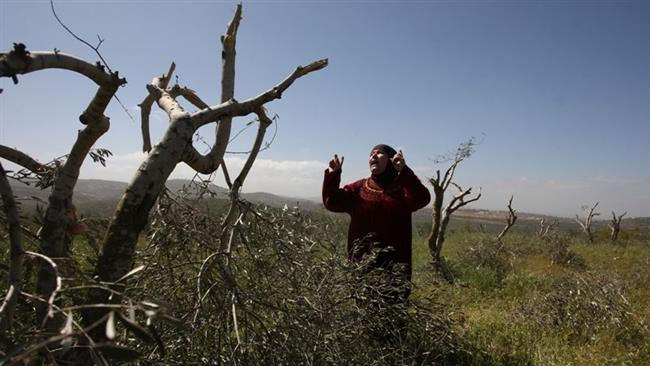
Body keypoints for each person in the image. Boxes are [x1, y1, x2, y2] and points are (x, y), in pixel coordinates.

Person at [322, 144, 431, 303]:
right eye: (371, 153)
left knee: (394, 317)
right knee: (364, 316)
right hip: (362, 267)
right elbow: (332, 202)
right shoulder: (359, 188)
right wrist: (334, 174)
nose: (373, 156)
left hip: (395, 269)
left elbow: (422, 198)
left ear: (392, 159)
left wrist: (404, 171)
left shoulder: (403, 189)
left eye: (379, 153)